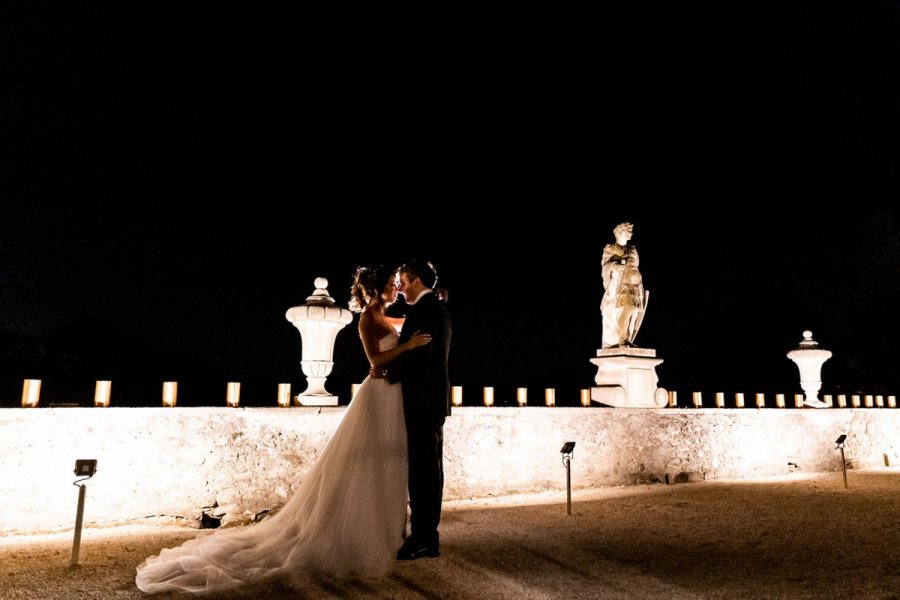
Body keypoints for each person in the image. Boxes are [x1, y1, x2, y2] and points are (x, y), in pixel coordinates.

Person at [134, 265, 431, 594]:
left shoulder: (388, 315)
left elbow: (412, 325)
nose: (397, 288)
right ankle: (360, 535)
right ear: (376, 289)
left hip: (393, 394)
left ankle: (389, 532)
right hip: (378, 395)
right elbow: (375, 361)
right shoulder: (366, 319)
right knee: (367, 466)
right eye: (392, 284)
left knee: (389, 465)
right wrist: (407, 347)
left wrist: (432, 304)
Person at [383, 259, 452, 561]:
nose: (400, 288)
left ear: (415, 281)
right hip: (429, 401)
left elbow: (420, 357)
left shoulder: (427, 310)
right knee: (427, 468)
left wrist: (388, 372)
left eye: (402, 281)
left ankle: (425, 539)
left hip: (423, 401)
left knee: (424, 472)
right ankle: (424, 535)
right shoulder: (432, 308)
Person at [601, 222, 647, 348]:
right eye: (628, 230)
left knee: (633, 312)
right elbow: (605, 266)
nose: (631, 233)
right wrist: (614, 266)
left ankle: (626, 337)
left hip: (635, 285)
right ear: (620, 232)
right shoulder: (611, 248)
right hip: (622, 285)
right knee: (625, 310)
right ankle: (622, 339)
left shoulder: (632, 248)